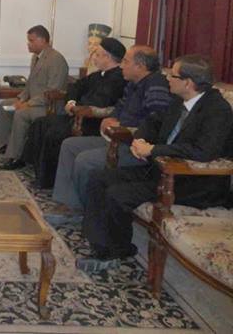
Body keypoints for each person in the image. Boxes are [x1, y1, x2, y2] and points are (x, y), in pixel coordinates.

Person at [78, 55, 233, 272]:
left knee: (117, 194)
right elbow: (152, 121)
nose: (167, 78)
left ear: (188, 83)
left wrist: (153, 150)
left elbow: (203, 151)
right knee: (99, 177)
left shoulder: (217, 110)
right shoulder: (178, 100)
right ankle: (99, 243)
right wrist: (140, 140)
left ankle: (115, 252)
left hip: (192, 181)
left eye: (173, 75)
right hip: (159, 170)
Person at [50, 45, 171, 216]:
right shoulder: (133, 83)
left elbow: (156, 124)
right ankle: (69, 203)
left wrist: (123, 128)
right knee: (69, 145)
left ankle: (88, 212)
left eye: (126, 62)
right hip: (115, 138)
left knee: (86, 160)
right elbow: (120, 106)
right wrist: (112, 118)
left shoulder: (156, 86)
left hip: (133, 147)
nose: (121, 66)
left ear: (140, 66)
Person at [20, 37, 127, 187]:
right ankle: (37, 170)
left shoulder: (119, 79)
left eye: (97, 55)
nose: (94, 58)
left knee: (54, 133)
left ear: (107, 57)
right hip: (75, 115)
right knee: (40, 124)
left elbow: (99, 104)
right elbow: (75, 87)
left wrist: (76, 107)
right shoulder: (98, 75)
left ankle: (49, 180)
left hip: (92, 122)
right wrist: (71, 102)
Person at [0, 25, 69, 168]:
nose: (28, 44)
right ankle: (8, 145)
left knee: (21, 114)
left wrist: (28, 104)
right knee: (4, 105)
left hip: (49, 106)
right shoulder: (36, 57)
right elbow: (30, 83)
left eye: (31, 40)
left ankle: (16, 157)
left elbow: (52, 91)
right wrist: (20, 98)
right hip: (34, 101)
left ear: (42, 40)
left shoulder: (56, 59)